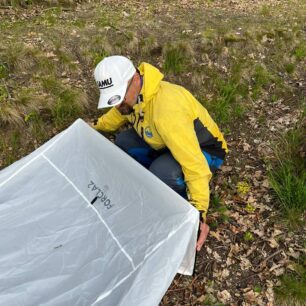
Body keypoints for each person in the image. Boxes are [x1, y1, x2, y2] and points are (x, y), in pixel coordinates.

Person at [91, 55, 228, 251]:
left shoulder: (167, 111)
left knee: (162, 173)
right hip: (165, 140)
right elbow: (116, 115)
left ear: (136, 79)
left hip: (206, 149)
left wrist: (199, 214)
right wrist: (93, 127)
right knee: (123, 141)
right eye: (112, 99)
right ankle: (162, 165)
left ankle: (176, 196)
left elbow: (194, 165)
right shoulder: (134, 95)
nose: (117, 104)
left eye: (119, 97)